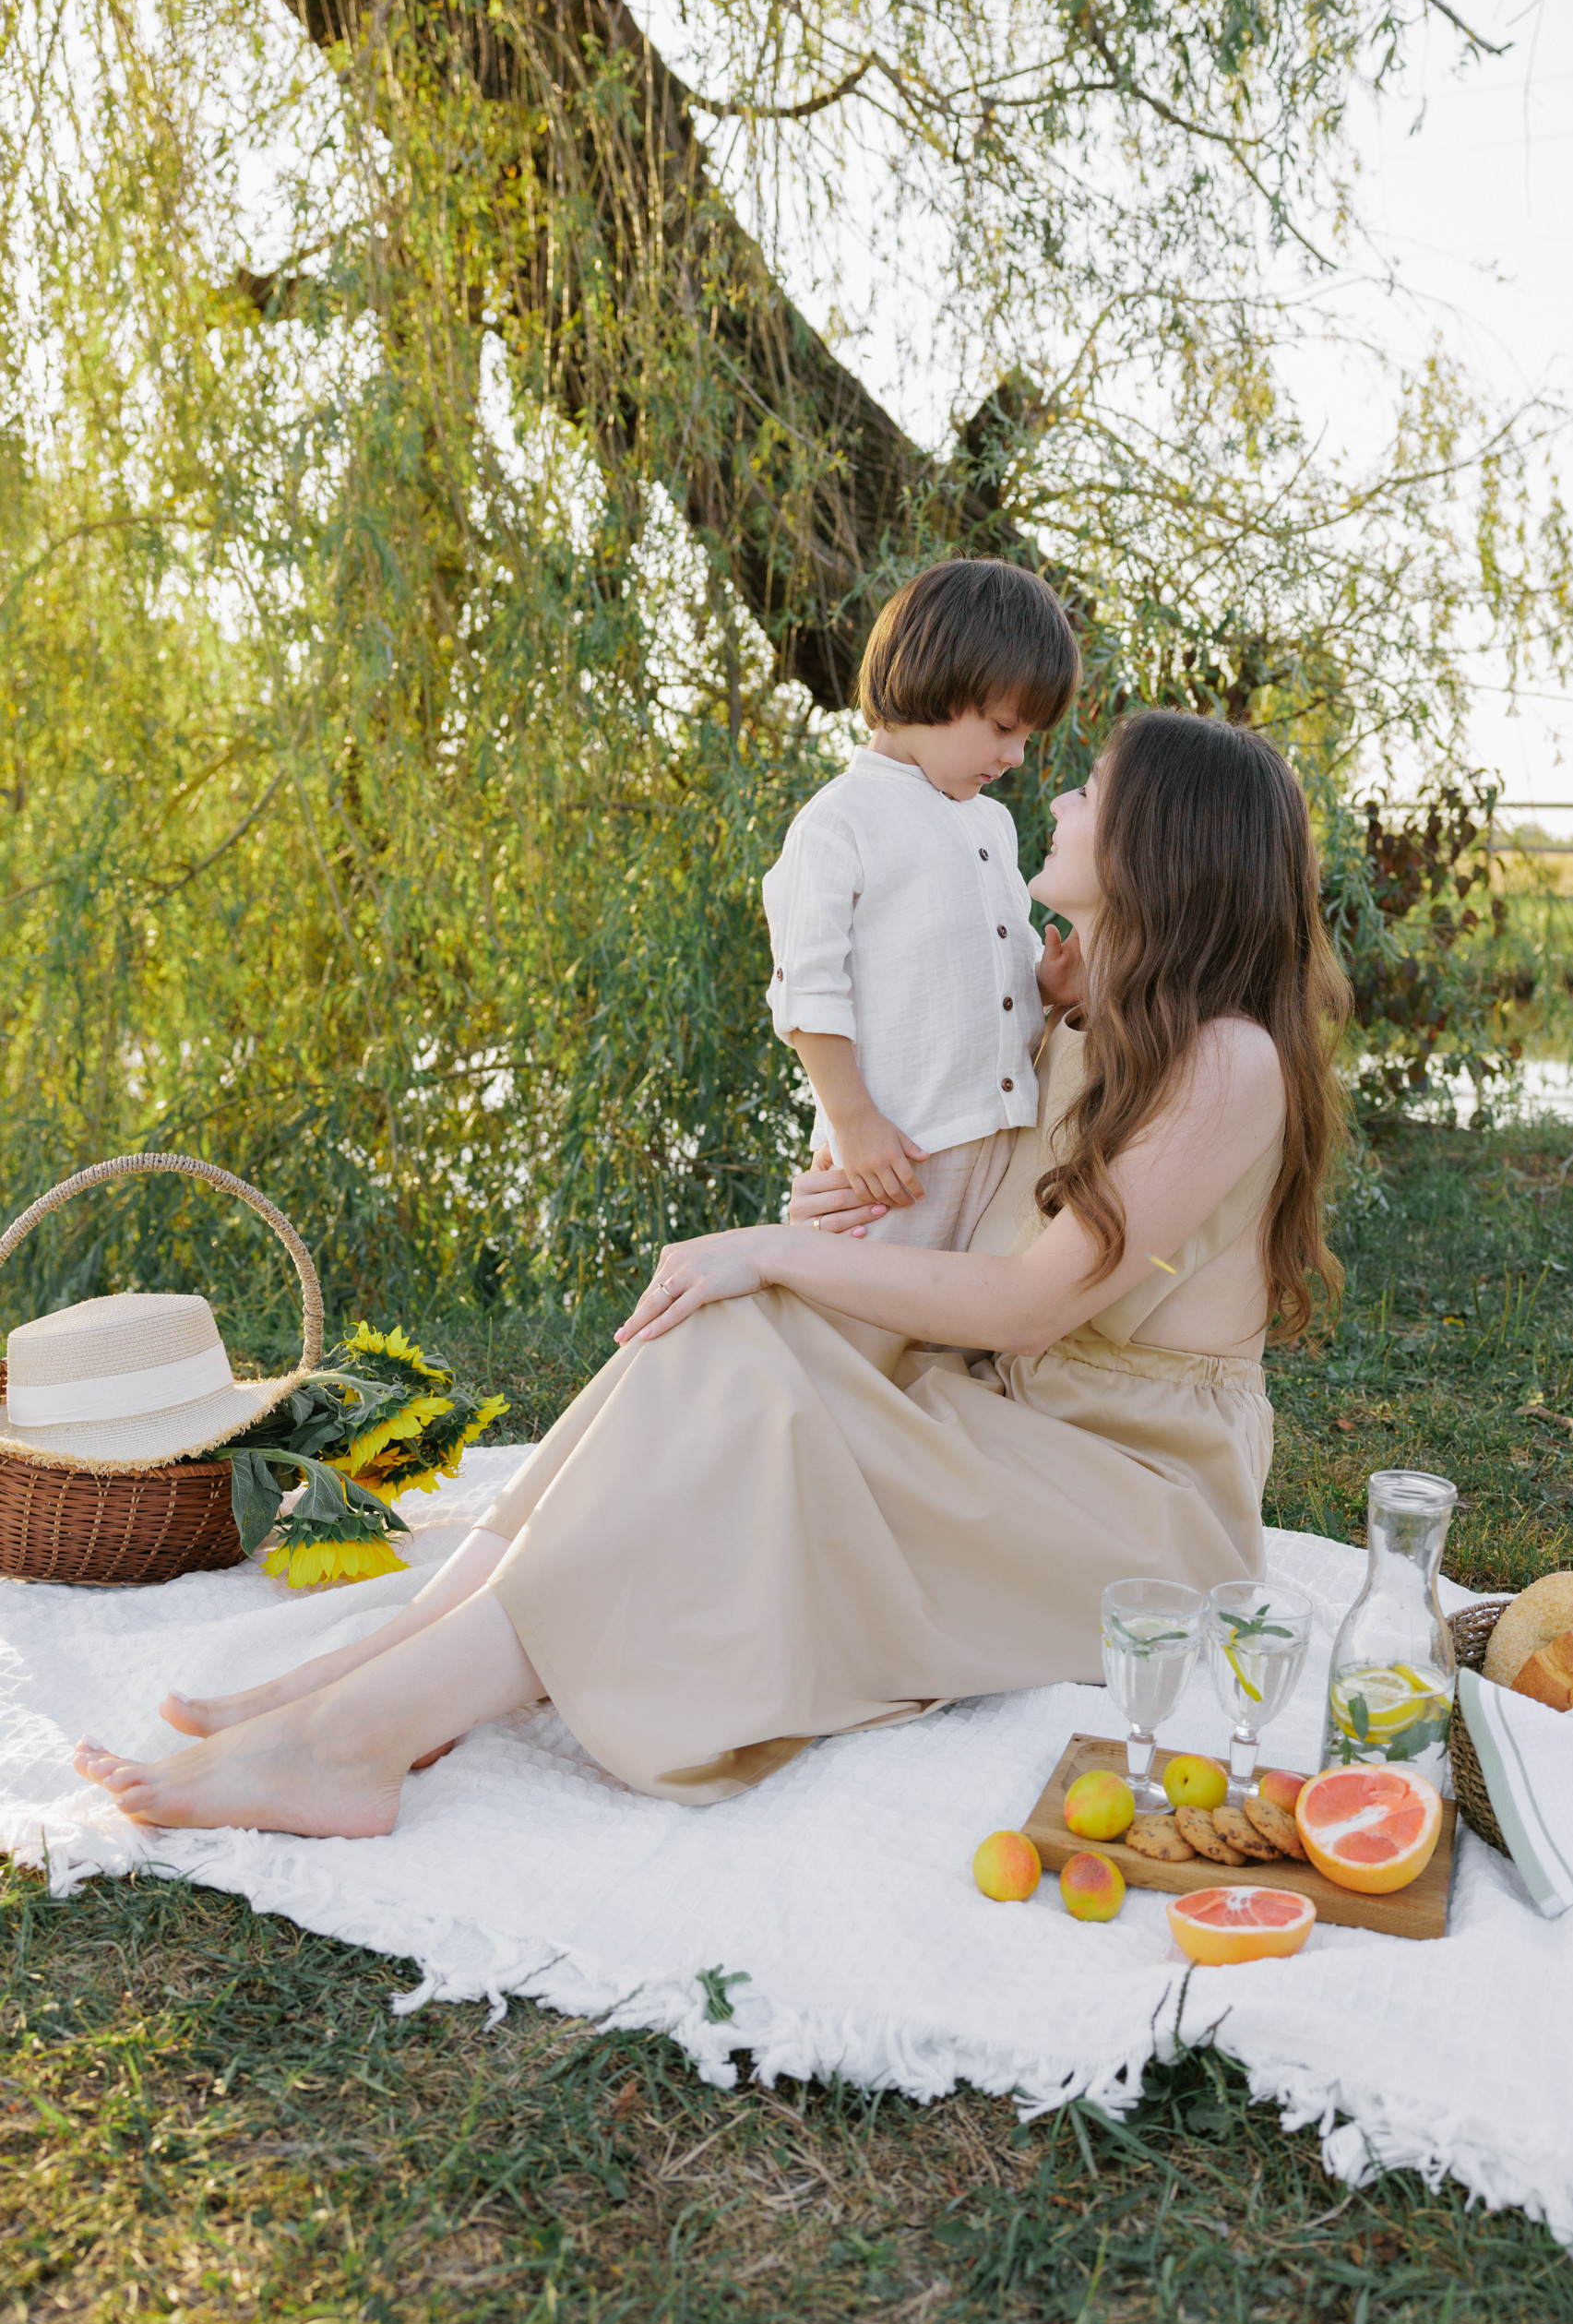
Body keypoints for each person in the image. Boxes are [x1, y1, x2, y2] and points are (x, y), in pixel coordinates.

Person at [80, 710, 1350, 1838]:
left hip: (1128, 1497)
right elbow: (969, 1193)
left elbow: (1032, 1299)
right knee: (723, 1336)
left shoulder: (1229, 1062)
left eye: (1094, 792)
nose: (1059, 799)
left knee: (744, 1350)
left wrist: (767, 1247)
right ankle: (389, 1669)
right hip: (1008, 1409)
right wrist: (842, 1208)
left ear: (1160, 845)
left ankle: (352, 1736)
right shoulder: (1080, 1004)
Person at [763, 556, 1082, 1249]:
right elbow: (808, 990)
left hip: (999, 1138)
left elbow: (990, 949)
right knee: (859, 1322)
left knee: (957, 1331)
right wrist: (853, 1123)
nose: (1019, 757)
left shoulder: (989, 821)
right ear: (931, 682)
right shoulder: (839, 822)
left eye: (1028, 737)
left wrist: (1043, 982)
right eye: (1004, 728)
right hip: (894, 1153)